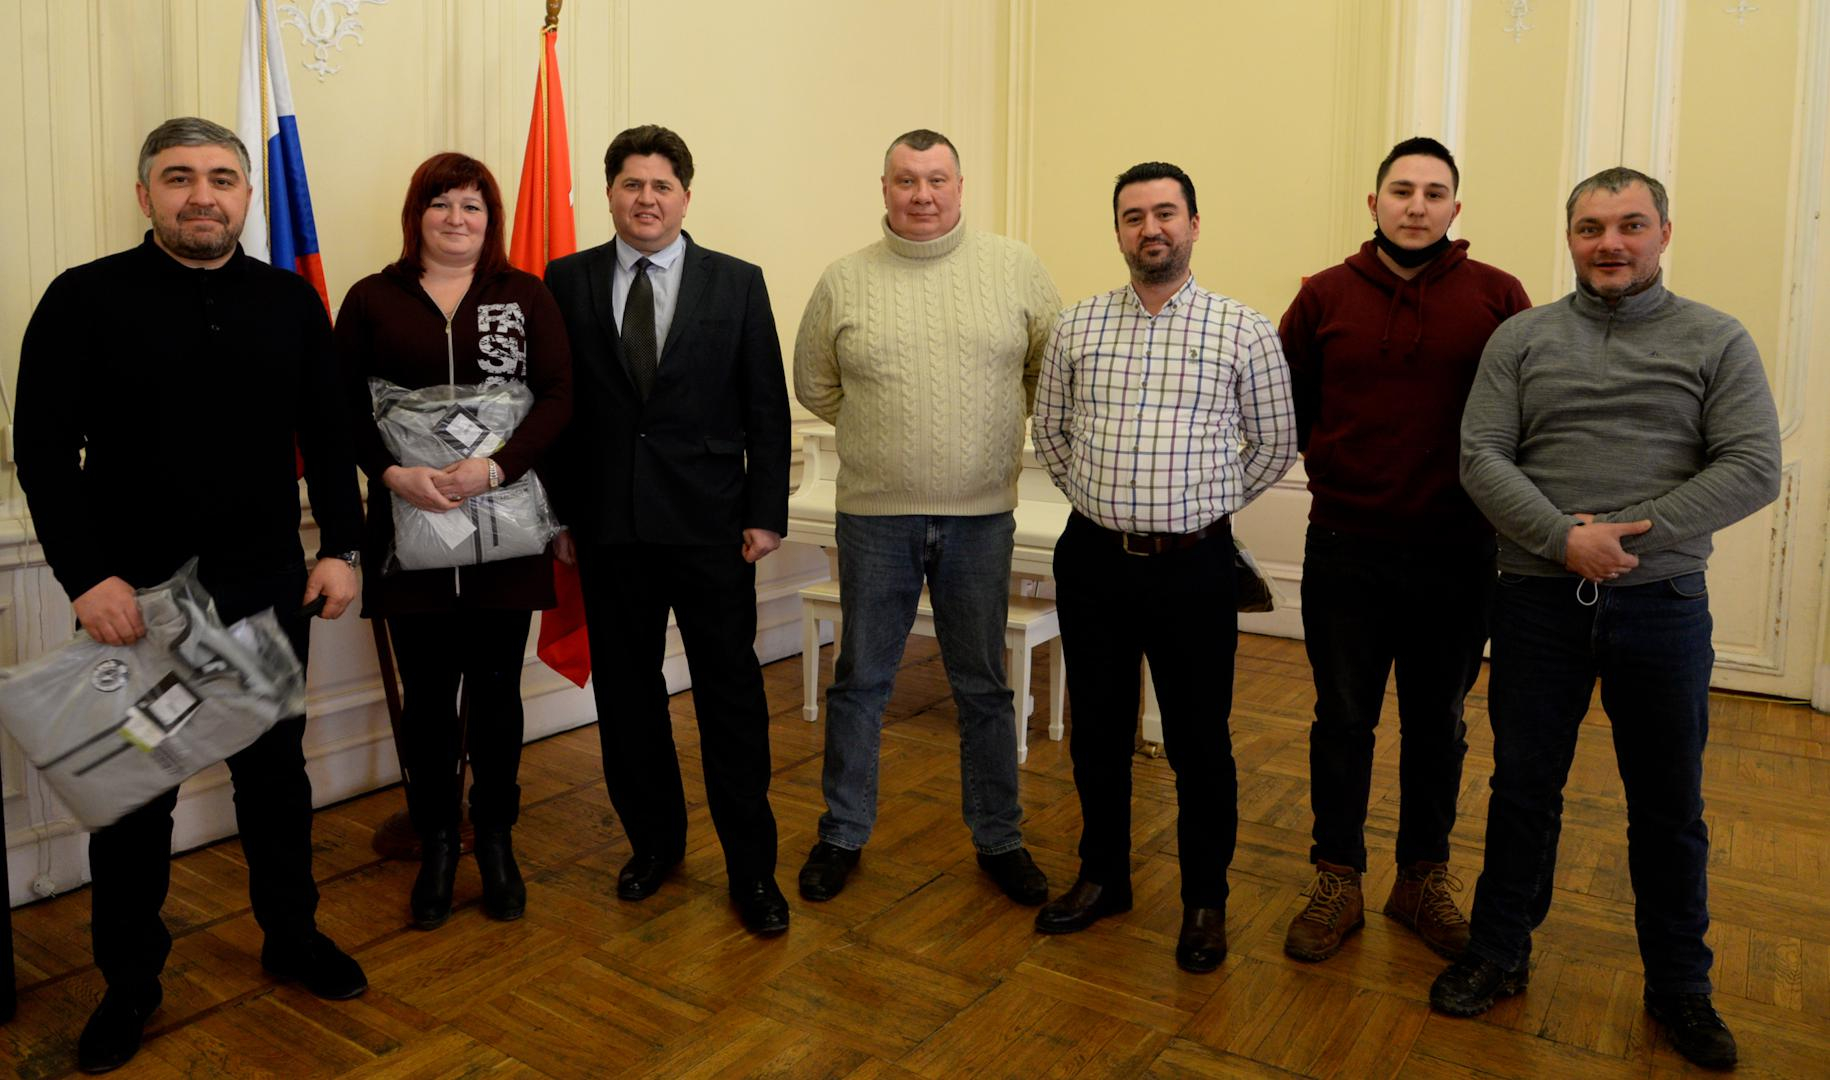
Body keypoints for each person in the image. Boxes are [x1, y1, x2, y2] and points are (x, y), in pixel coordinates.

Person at [13, 116, 369, 1074]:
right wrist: (87, 578)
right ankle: (130, 984)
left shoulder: (292, 303)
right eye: (179, 177)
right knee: (136, 801)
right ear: (146, 196)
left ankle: (290, 935)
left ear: (248, 196)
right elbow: (44, 451)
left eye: (222, 177)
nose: (201, 194)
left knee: (274, 785)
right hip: (135, 611)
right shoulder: (83, 299)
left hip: (262, 601)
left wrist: (341, 545)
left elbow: (332, 439)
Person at [1433, 167, 1780, 1070]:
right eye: (1591, 227)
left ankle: (1680, 986)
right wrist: (1561, 539)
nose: (1610, 243)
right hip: (1537, 603)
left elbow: (1752, 466)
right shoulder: (1521, 338)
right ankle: (1500, 952)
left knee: (1669, 808)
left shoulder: (1716, 339)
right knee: (1521, 791)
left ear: (1666, 231)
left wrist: (1627, 539)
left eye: (1630, 225)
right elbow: (1480, 456)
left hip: (1661, 607)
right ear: (1570, 238)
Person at [1031, 161, 1297, 972]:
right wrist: (1105, 501)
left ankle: (1204, 902)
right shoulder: (1077, 327)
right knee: (1098, 733)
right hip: (1095, 563)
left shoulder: (1241, 328)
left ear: (1193, 224)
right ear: (1117, 230)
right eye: (1134, 216)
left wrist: (1198, 506)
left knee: (1198, 741)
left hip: (1194, 570)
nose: (1151, 229)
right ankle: (1103, 876)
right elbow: (1050, 432)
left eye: (1166, 214)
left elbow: (1275, 443)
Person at [791, 129, 1062, 907]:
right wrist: (888, 441)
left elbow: (1048, 368)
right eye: (906, 180)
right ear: (883, 188)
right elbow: (816, 383)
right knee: (861, 682)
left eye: (936, 179)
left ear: (960, 185)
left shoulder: (1015, 267)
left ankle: (1000, 838)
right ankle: (842, 832)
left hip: (982, 517)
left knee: (981, 687)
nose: (922, 194)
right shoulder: (844, 280)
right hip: (875, 518)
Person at [1277, 138, 1530, 963]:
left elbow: (1525, 419)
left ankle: (1421, 877)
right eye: (1401, 190)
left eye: (1433, 192)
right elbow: (1292, 405)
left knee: (1438, 722)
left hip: (1459, 552)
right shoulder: (1321, 298)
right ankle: (1337, 876)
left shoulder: (1499, 299)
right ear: (1374, 203)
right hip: (1347, 549)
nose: (1416, 205)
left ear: (1456, 207)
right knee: (1342, 719)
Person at [543, 125, 792, 935]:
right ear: (610, 192)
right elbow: (553, 411)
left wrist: (764, 513)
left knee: (730, 697)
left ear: (686, 195)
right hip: (608, 529)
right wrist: (560, 516)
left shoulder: (737, 282)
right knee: (628, 697)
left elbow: (766, 407)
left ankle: (753, 868)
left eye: (661, 186)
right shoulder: (566, 280)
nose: (645, 199)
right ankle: (654, 845)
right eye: (630, 185)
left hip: (713, 529)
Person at [335, 152, 573, 931]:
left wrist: (498, 467)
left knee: (499, 693)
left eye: (472, 206)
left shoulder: (525, 295)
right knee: (431, 698)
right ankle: (439, 841)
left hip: (506, 527)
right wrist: (391, 473)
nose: (457, 220)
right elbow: (338, 408)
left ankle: (496, 838)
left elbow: (561, 395)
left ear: (490, 220)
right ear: (417, 215)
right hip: (409, 533)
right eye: (441, 204)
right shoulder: (372, 299)